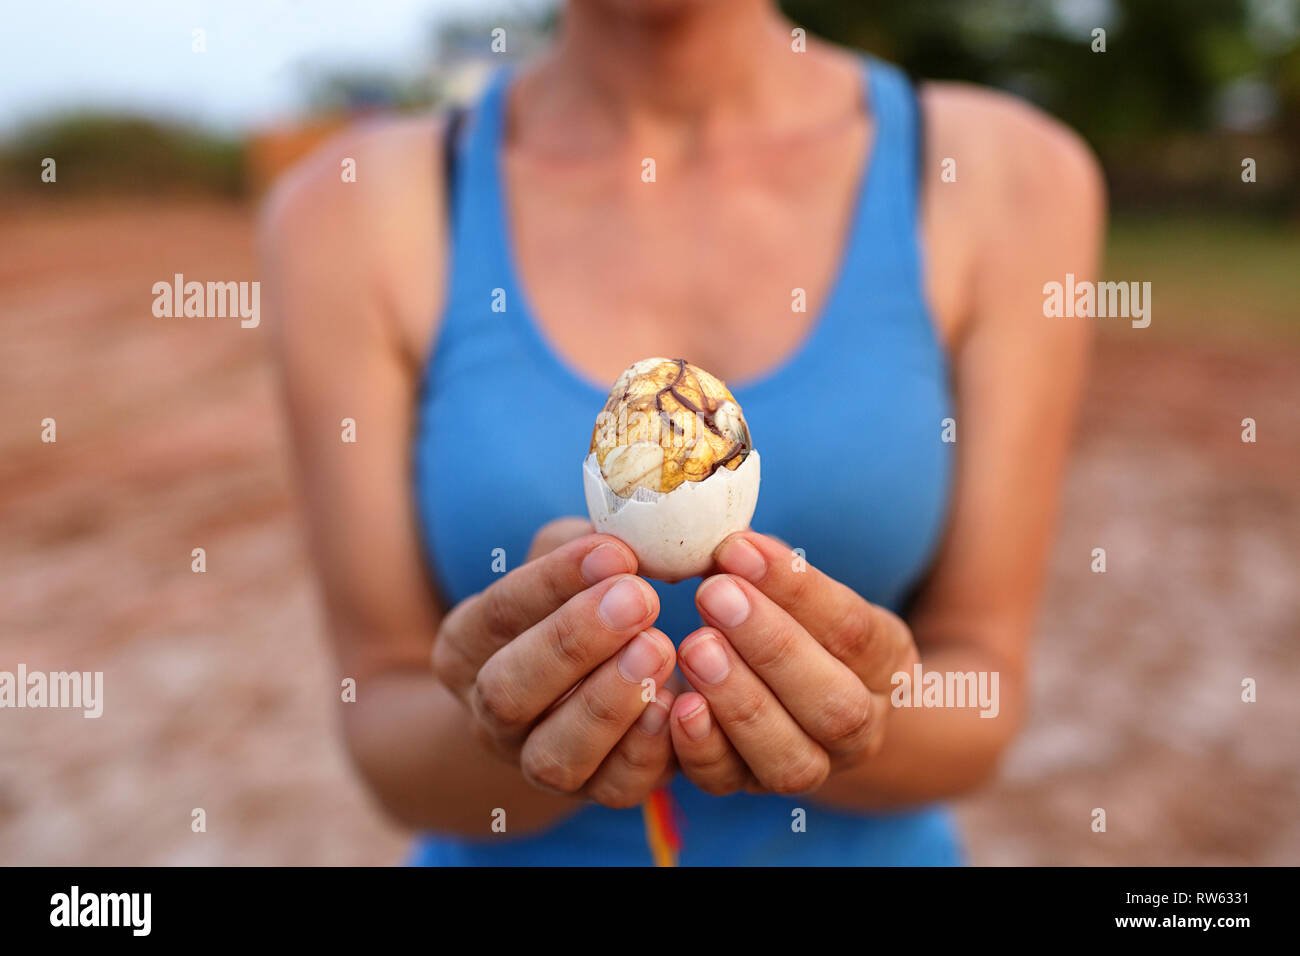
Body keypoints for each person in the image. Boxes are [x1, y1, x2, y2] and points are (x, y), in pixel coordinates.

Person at [261, 0, 1104, 865]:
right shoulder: (349, 208)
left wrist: (852, 722)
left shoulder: (1000, 174)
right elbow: (384, 720)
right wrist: (508, 725)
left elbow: (984, 686)